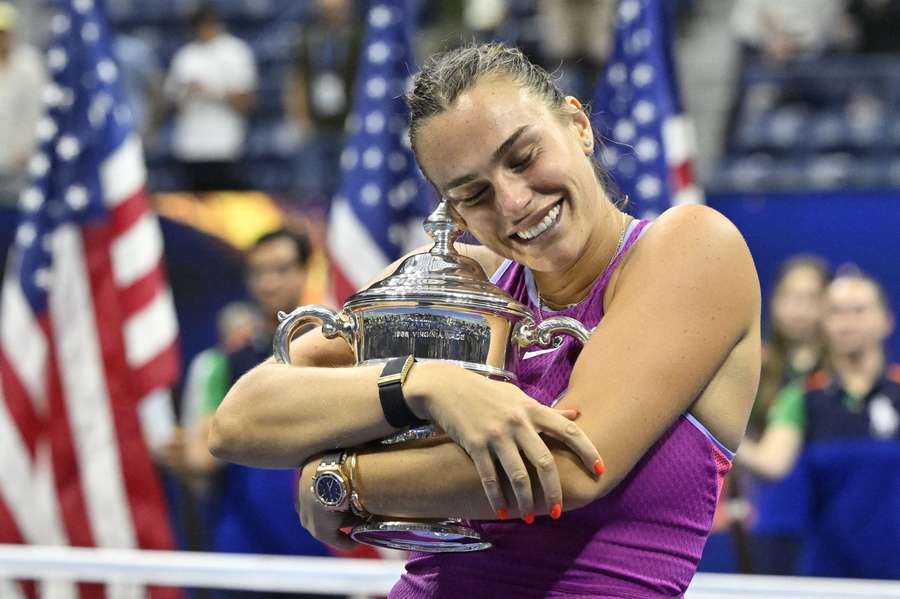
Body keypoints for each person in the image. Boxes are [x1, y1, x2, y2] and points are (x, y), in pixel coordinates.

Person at [211, 43, 761, 597]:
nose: (514, 201)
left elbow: (567, 470)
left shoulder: (693, 246)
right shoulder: (460, 281)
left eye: (523, 157)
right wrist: (425, 384)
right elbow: (237, 422)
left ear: (578, 124)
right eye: (474, 194)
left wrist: (341, 480)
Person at [738, 269, 899, 577]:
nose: (847, 322)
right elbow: (772, 463)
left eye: (859, 310)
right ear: (824, 324)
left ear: (885, 321)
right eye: (836, 312)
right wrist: (707, 428)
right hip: (827, 572)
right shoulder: (801, 397)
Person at [740, 255, 830, 574]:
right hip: (770, 522)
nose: (798, 309)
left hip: (826, 526)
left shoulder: (837, 375)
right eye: (789, 297)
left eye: (809, 298)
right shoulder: (755, 368)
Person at [165, 4, 257, 192]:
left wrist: (210, 91)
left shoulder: (235, 52)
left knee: (227, 208)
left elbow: (245, 103)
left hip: (225, 146)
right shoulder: (185, 56)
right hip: (190, 147)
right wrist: (186, 94)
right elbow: (170, 104)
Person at [0, 1, 46, 205]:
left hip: (20, 167)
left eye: (4, 32)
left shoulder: (29, 63)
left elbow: (37, 112)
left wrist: (25, 151)